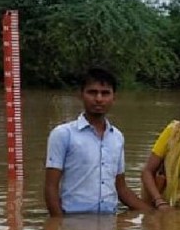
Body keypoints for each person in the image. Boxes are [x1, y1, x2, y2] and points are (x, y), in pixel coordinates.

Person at [44, 67, 150, 217]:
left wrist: (154, 213)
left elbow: (121, 189)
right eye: (92, 92)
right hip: (73, 221)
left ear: (114, 97)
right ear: (81, 95)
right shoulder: (63, 134)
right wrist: (58, 227)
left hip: (109, 222)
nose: (99, 99)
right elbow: (50, 187)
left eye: (105, 93)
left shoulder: (117, 137)